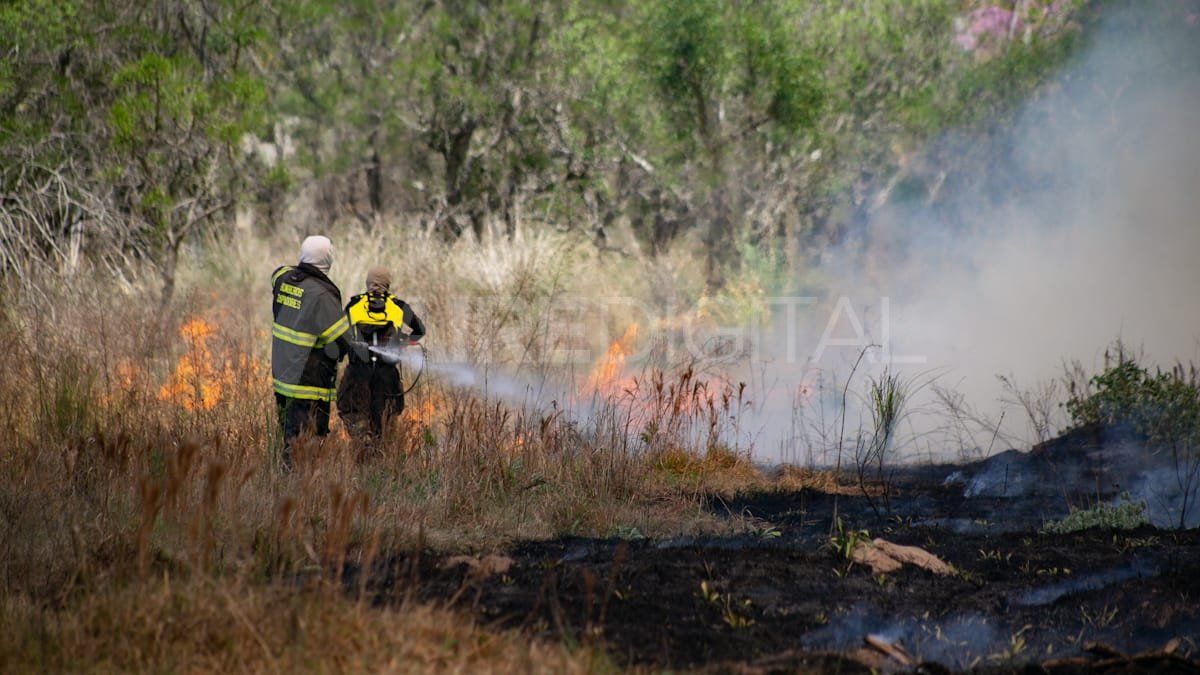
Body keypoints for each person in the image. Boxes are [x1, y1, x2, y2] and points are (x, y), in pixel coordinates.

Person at [270, 235, 367, 469]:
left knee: (289, 434)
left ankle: (288, 482)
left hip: (283, 379)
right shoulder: (322, 296)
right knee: (304, 445)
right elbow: (341, 340)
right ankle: (296, 485)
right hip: (307, 384)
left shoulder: (282, 278)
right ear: (328, 260)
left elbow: (279, 273)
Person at [336, 266, 426, 444]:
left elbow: (340, 334)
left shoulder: (354, 305)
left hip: (357, 375)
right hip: (387, 378)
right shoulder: (398, 306)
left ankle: (363, 445)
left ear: (368, 283)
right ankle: (381, 454)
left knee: (354, 416)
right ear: (388, 284)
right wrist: (403, 341)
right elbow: (420, 330)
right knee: (385, 426)